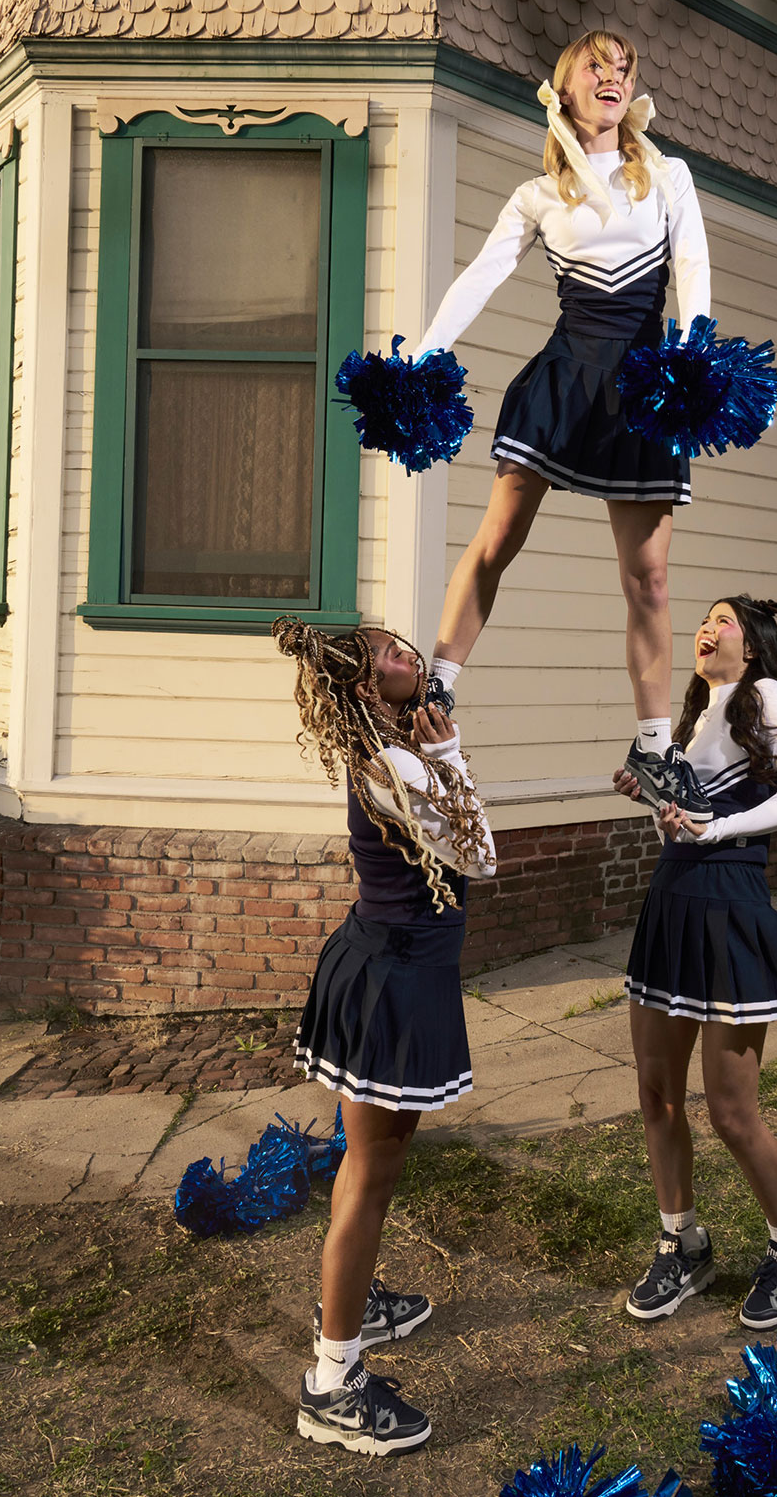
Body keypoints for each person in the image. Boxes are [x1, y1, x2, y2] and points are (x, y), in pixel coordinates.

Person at [411, 28, 713, 820]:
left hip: (642, 388)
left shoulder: (670, 177)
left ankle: (654, 748)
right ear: (567, 87)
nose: (613, 77)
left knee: (649, 579)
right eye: (597, 66)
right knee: (499, 537)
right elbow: (480, 277)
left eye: (624, 69)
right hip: (564, 376)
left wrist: (691, 353)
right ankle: (435, 687)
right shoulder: (537, 196)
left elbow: (692, 269)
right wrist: (423, 355)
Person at [272, 617, 496, 1454]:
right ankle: (332, 1385)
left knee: (372, 1165)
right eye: (390, 656)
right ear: (367, 688)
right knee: (370, 1174)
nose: (410, 655)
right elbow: (482, 857)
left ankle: (353, 1303)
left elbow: (468, 607)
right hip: (391, 980)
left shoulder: (393, 741)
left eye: (402, 644)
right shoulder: (398, 763)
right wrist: (451, 753)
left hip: (392, 966)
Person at [612, 595, 777, 1329]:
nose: (707, 629)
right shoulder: (691, 716)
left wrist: (719, 828)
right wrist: (655, 798)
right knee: (656, 1095)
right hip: (671, 903)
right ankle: (682, 1245)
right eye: (704, 620)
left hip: (731, 905)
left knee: (732, 1112)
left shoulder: (766, 697)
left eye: (724, 621)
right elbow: (680, 828)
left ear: (754, 645)